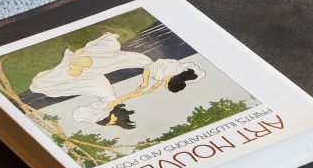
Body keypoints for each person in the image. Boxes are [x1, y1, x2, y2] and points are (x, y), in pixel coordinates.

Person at [29, 31, 204, 128]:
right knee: (111, 62)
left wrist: (141, 90)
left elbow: (126, 96)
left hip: (107, 90)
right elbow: (147, 76)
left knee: (104, 66)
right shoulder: (166, 72)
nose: (114, 119)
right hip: (117, 82)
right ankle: (84, 61)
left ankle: (83, 63)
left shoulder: (105, 107)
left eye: (113, 120)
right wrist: (144, 87)